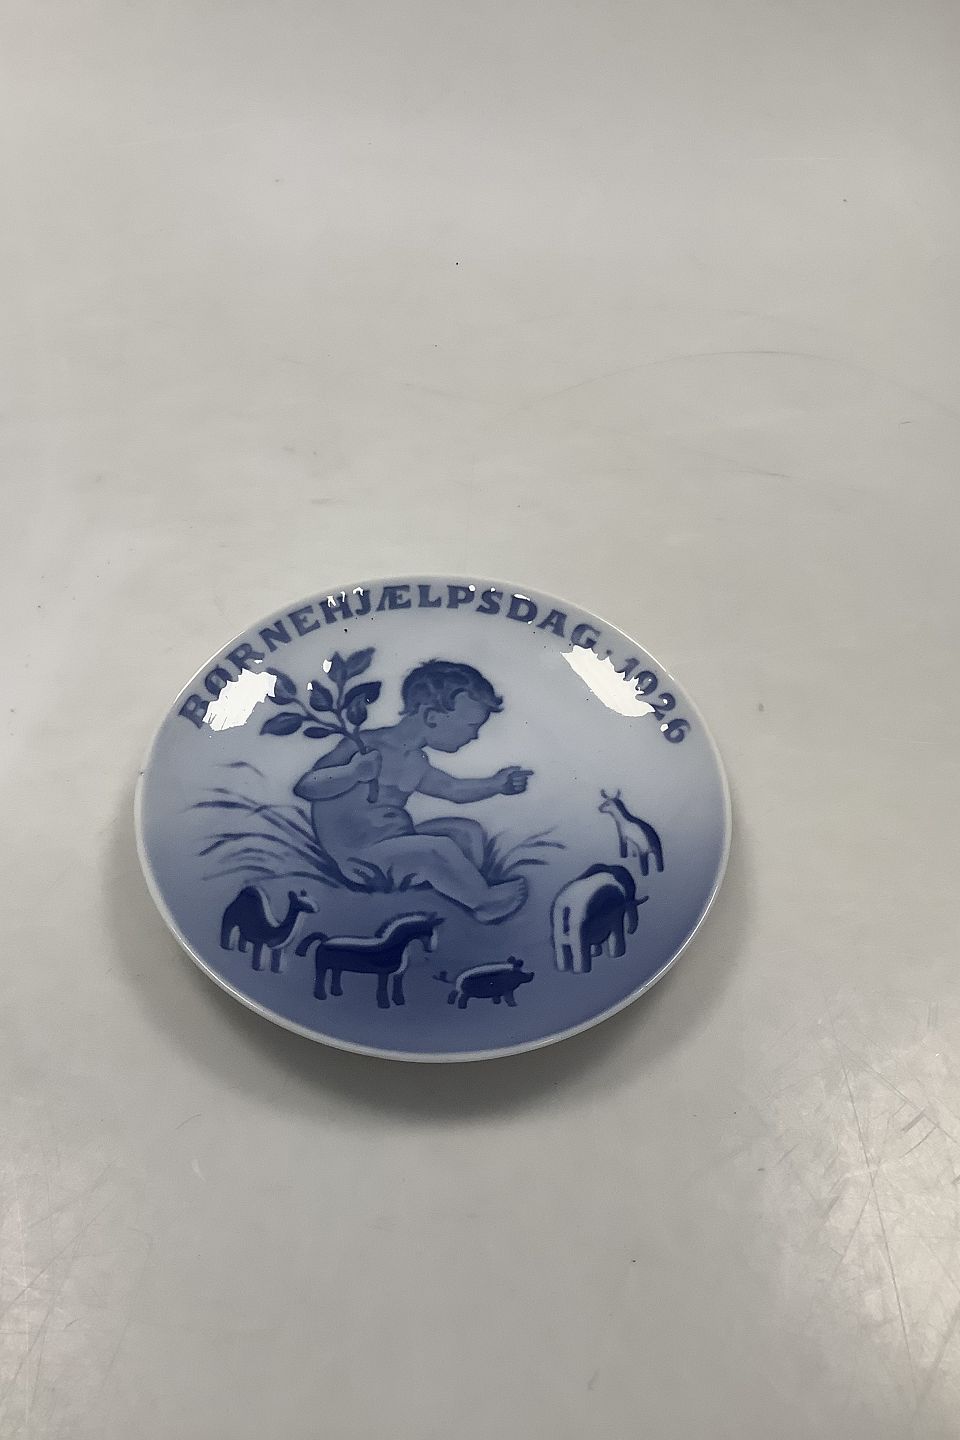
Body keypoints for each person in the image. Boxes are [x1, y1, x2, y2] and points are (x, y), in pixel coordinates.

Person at [294, 660, 533, 922]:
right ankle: (483, 903)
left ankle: (455, 887)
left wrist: (497, 785)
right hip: (360, 858)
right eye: (471, 725)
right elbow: (307, 786)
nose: (474, 735)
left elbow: (452, 789)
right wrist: (352, 773)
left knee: (466, 832)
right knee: (436, 849)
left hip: (396, 843)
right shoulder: (364, 746)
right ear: (432, 717)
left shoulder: (415, 760)